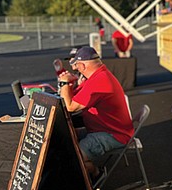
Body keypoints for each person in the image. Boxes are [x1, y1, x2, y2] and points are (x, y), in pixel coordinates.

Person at [57, 46, 134, 176]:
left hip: (114, 135)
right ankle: (91, 173)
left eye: (76, 65)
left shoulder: (99, 80)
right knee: (68, 137)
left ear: (82, 66)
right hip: (106, 129)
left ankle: (96, 173)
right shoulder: (99, 75)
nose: (75, 69)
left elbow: (70, 106)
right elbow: (74, 98)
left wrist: (64, 83)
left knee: (75, 158)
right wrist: (70, 85)